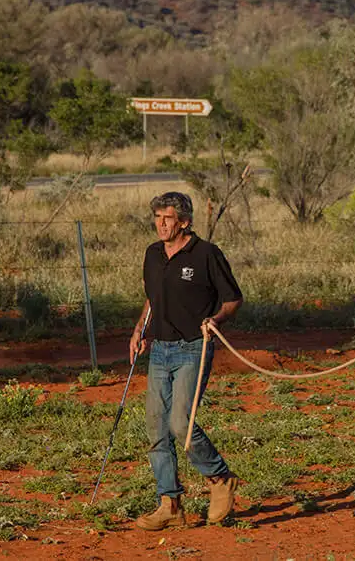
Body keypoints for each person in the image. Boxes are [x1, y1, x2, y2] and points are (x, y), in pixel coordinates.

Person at [129, 191, 243, 530]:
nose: (160, 224)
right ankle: (170, 503)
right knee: (157, 428)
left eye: (167, 218)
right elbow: (152, 298)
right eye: (157, 217)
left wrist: (216, 319)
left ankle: (220, 478)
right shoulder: (152, 254)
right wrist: (139, 331)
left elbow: (233, 299)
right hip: (160, 349)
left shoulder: (207, 254)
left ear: (184, 221)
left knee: (181, 423)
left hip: (194, 346)